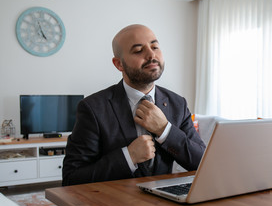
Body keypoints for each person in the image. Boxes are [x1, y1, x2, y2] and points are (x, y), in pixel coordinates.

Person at [62, 24, 206, 186]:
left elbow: (203, 163)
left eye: (155, 46)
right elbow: (71, 179)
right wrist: (128, 157)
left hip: (165, 205)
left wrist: (165, 130)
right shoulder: (93, 108)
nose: (151, 54)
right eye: (138, 50)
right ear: (119, 64)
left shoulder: (177, 103)